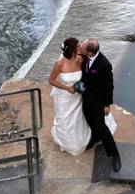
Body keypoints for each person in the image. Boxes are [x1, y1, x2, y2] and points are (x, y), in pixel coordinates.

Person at [80, 39, 121, 173]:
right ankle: (94, 139)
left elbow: (109, 86)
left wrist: (107, 105)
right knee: (90, 122)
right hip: (86, 99)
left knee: (101, 126)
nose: (81, 50)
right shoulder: (85, 57)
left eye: (83, 48)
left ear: (90, 52)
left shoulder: (104, 65)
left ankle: (114, 154)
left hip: (98, 102)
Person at [47, 37, 92, 155]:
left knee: (77, 119)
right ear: (71, 49)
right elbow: (51, 81)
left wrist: (82, 86)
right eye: (77, 46)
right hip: (64, 98)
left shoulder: (80, 60)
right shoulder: (59, 64)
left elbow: (87, 74)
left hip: (77, 97)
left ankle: (79, 140)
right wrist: (67, 88)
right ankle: (66, 143)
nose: (79, 47)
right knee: (65, 121)